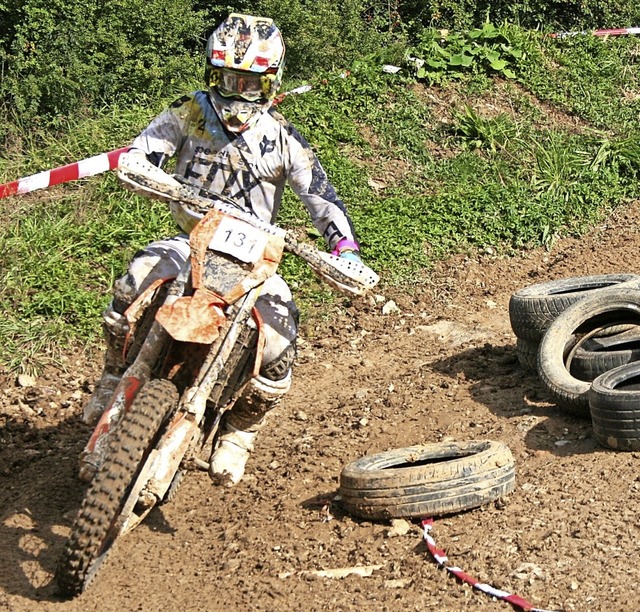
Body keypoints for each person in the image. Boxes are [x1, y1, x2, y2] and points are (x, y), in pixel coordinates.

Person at [83, 13, 363, 486]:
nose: (236, 93)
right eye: (227, 80)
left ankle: (239, 431)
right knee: (135, 278)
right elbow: (148, 146)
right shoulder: (191, 111)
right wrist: (143, 164)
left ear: (270, 83)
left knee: (279, 337)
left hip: (253, 256)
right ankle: (114, 375)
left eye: (249, 84)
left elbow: (322, 199)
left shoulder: (285, 140)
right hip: (189, 239)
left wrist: (345, 249)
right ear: (212, 74)